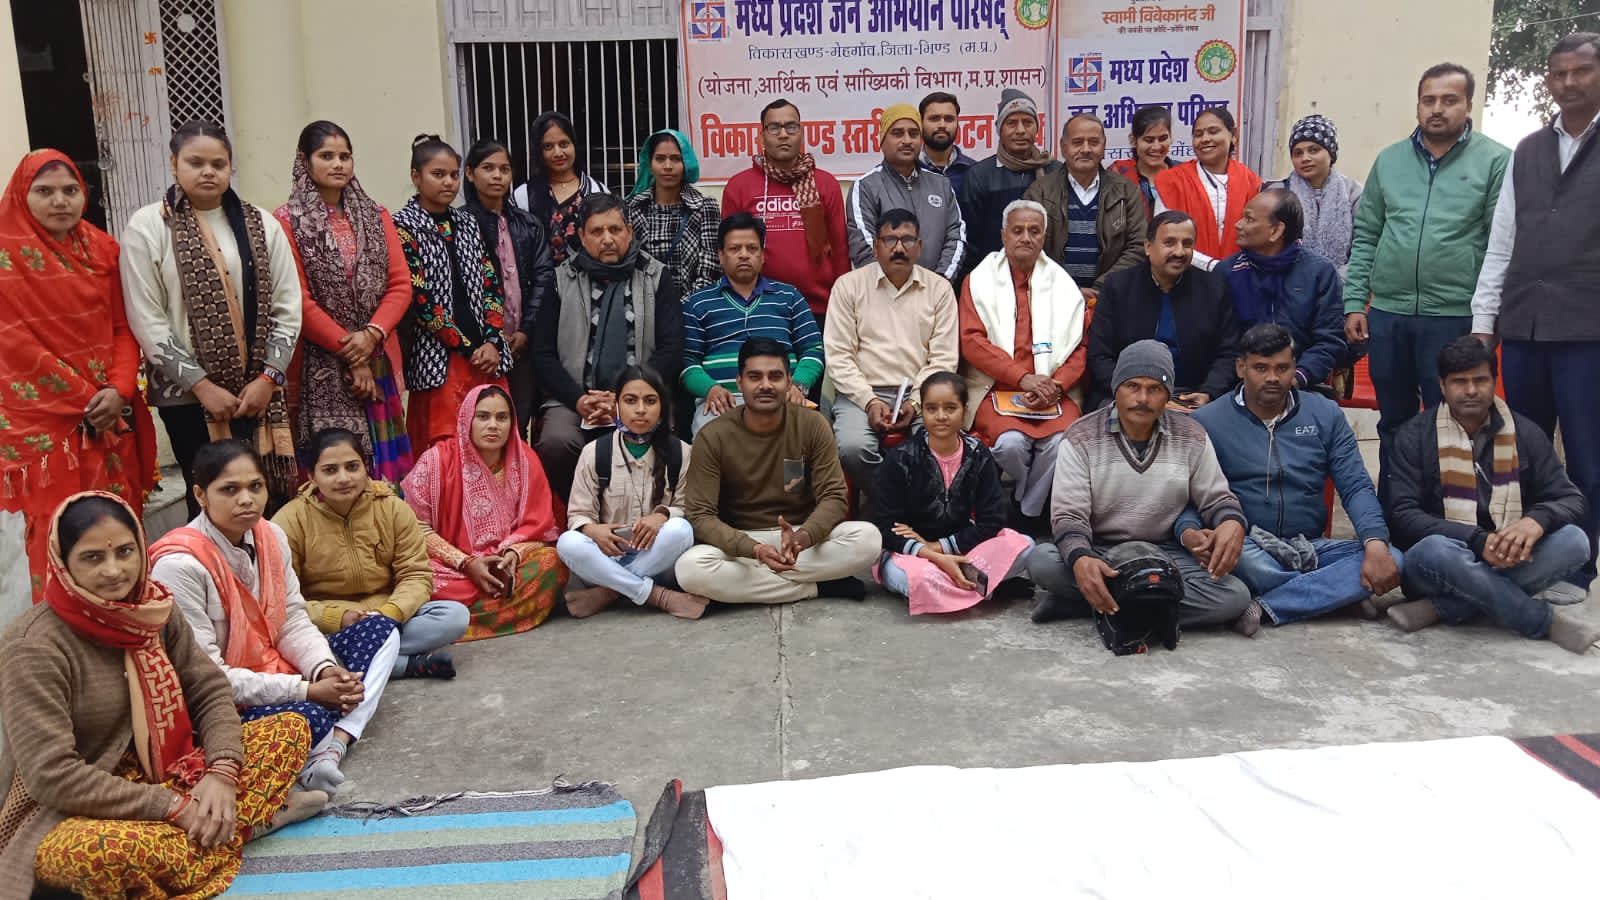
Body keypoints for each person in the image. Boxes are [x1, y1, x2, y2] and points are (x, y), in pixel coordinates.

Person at [0, 493, 319, 898]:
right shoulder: (34, 647)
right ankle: (245, 825)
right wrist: (171, 807)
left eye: (125, 552)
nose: (114, 570)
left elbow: (208, 688)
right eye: (93, 558)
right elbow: (53, 776)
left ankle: (211, 830)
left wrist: (222, 773)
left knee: (289, 729)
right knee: (85, 855)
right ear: (63, 563)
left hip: (175, 770)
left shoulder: (153, 609)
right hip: (85, 803)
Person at [153, 441, 401, 798]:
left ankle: (333, 745)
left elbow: (291, 620)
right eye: (229, 490)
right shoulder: (179, 566)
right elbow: (206, 678)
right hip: (221, 704)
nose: (247, 500)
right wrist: (308, 691)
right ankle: (329, 741)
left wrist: (325, 671)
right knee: (310, 717)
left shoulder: (270, 536)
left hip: (279, 669)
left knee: (381, 630)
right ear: (200, 495)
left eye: (255, 486)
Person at [1471, 32, 1600, 601]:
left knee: (1588, 452)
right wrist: (1484, 320)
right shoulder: (1527, 150)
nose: (1569, 82)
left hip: (1588, 329)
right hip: (1523, 324)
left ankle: (1577, 565)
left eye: (1582, 71)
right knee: (1521, 450)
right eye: (1559, 73)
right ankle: (1523, 554)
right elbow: (1502, 241)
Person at [1345, 63, 1509, 503]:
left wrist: (1487, 318)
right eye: (1428, 100)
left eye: (1449, 100)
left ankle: (1448, 520)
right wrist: (1356, 302)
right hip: (1389, 314)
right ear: (1418, 105)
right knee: (1393, 421)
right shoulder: (1390, 160)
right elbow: (1367, 235)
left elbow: (1500, 244)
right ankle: (1394, 513)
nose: (1437, 109)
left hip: (1454, 317)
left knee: (1454, 422)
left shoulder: (1495, 161)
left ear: (1468, 105)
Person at [0, 149, 158, 603]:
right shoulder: (6, 257)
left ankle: (125, 623)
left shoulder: (103, 249)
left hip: (109, 417)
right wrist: (88, 398)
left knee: (116, 526)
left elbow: (122, 327)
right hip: (46, 426)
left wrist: (120, 389)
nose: (60, 201)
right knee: (57, 534)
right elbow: (13, 343)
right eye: (45, 191)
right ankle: (60, 633)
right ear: (22, 195)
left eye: (70, 190)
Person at [122, 120, 302, 516]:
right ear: (174, 164)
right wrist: (202, 386)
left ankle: (264, 559)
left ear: (230, 166)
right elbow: (146, 317)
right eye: (196, 162)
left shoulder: (262, 225)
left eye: (218, 164)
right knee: (206, 497)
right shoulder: (149, 227)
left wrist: (267, 379)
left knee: (264, 497)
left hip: (257, 393)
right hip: (187, 398)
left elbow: (288, 308)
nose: (208, 172)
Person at [1385, 336, 1596, 653]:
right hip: (1441, 562)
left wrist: (1535, 521)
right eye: (1460, 382)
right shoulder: (1414, 435)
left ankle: (1444, 608)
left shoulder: (1524, 432)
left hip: (1509, 556)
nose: (1471, 390)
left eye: (1480, 380)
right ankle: (1540, 621)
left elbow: (1571, 498)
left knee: (1575, 541)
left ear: (1495, 382)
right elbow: (1402, 515)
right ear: (1442, 386)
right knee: (1436, 549)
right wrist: (1477, 540)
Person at [1189, 324, 1403, 634]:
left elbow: (1356, 485)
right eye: (1261, 368)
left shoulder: (1325, 414)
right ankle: (1334, 594)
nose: (1272, 377)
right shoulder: (1207, 421)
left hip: (1310, 548)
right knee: (1239, 559)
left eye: (1282, 368)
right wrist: (1193, 533)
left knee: (1392, 556)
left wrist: (1375, 541)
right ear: (1240, 368)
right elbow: (1187, 494)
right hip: (1249, 545)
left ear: (1294, 368)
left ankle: (1267, 605)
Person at [1027, 340, 1253, 628]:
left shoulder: (1191, 434)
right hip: (1101, 550)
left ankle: (1089, 604)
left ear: (1168, 394)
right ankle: (1151, 607)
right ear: (1116, 389)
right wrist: (1082, 558)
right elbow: (1069, 516)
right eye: (1132, 386)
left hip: (1166, 553)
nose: (1143, 398)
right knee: (1042, 560)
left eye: (1155, 388)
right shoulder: (1081, 436)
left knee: (1234, 595)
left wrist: (1232, 522)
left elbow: (1217, 498)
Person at [676, 338, 882, 604]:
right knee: (690, 568)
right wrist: (754, 549)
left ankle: (741, 589)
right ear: (739, 382)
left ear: (788, 382)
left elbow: (834, 496)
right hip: (742, 543)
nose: (765, 385)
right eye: (755, 377)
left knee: (868, 539)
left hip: (800, 539)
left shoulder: (812, 425)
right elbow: (701, 515)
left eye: (775, 376)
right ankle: (818, 587)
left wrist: (804, 537)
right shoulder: (713, 436)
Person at [274, 121, 413, 483]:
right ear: (304, 161)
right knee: (332, 465)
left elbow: (400, 285)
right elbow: (298, 300)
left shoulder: (376, 215)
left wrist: (371, 335)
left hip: (377, 354)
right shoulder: (286, 222)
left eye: (345, 156)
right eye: (326, 156)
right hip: (318, 361)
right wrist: (353, 353)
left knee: (385, 472)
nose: (338, 164)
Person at [274, 428, 467, 680]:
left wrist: (389, 613)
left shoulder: (392, 508)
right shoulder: (290, 521)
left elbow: (416, 575)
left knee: (455, 616)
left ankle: (354, 661)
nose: (343, 478)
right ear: (311, 476)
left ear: (366, 467)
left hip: (387, 614)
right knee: (289, 640)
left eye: (352, 467)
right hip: (329, 624)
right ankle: (407, 665)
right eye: (330, 470)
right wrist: (337, 618)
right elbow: (282, 599)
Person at [530, 192, 684, 499]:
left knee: (654, 437)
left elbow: (672, 347)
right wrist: (578, 400)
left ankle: (642, 513)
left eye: (615, 229)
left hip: (640, 397)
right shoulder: (561, 280)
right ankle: (580, 512)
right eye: (597, 231)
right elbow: (543, 353)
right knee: (556, 442)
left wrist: (625, 397)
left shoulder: (655, 276)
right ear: (582, 236)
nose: (608, 239)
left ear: (629, 231)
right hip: (574, 398)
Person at [401, 385, 566, 639]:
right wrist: (466, 563)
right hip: (452, 568)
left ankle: (447, 623)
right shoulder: (437, 460)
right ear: (467, 418)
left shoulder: (526, 460)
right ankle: (481, 615)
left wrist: (513, 554)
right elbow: (415, 529)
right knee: (414, 576)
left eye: (502, 418)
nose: (493, 426)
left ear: (512, 422)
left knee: (552, 562)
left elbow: (542, 531)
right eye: (483, 416)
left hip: (504, 567)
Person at [958, 200, 1088, 519]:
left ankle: (1025, 509)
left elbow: (1081, 347)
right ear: (1004, 235)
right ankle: (1030, 499)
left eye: (1034, 231)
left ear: (1044, 237)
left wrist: (1057, 385)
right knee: (1010, 445)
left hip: (1054, 390)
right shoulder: (978, 280)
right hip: (995, 388)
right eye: (1017, 230)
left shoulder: (1063, 284)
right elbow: (972, 342)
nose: (1026, 238)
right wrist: (1022, 378)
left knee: (1062, 444)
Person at [872, 372, 1034, 614]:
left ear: (964, 410)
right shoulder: (901, 458)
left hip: (959, 547)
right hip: (911, 554)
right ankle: (983, 585)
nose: (941, 416)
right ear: (922, 412)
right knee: (920, 577)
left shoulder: (978, 454)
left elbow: (992, 520)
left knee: (1024, 545)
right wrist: (928, 553)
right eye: (931, 409)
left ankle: (955, 587)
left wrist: (937, 547)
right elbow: (885, 526)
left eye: (950, 408)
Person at [825, 209, 960, 490]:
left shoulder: (939, 289)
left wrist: (915, 402)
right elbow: (839, 357)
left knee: (939, 444)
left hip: (921, 393)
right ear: (876, 246)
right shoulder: (849, 286)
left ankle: (904, 504)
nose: (899, 248)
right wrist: (870, 401)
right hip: (861, 393)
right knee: (853, 448)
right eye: (889, 240)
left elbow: (944, 359)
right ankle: (897, 501)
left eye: (907, 240)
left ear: (919, 246)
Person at [392, 134, 511, 452]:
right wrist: (469, 347)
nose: (448, 182)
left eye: (453, 175)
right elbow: (421, 299)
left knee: (493, 443)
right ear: (416, 176)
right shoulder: (401, 227)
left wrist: (492, 341)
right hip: (438, 358)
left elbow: (491, 283)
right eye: (438, 174)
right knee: (445, 448)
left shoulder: (468, 222)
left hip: (487, 357)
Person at [558, 367, 706, 619]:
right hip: (607, 557)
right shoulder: (595, 452)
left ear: (662, 406)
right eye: (630, 400)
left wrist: (661, 516)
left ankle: (610, 592)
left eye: (650, 401)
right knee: (568, 543)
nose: (640, 409)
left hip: (658, 558)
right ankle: (658, 596)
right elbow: (578, 514)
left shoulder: (681, 452)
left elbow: (688, 507)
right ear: (616, 405)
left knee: (681, 530)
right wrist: (592, 530)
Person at [681, 212, 825, 435]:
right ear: (720, 255)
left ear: (762, 255)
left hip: (782, 398)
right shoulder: (698, 303)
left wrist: (798, 385)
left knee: (809, 438)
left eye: (752, 248)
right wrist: (710, 389)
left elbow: (814, 350)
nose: (744, 255)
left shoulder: (790, 297)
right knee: (711, 440)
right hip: (723, 402)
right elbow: (687, 361)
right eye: (734, 249)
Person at [1088, 211, 1238, 409]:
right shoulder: (1118, 287)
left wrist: (1209, 392)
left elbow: (1228, 353)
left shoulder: (1214, 288)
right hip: (1127, 393)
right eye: (1169, 243)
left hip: (1191, 395)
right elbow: (1100, 355)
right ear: (1148, 247)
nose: (1179, 252)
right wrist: (1130, 391)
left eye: (1187, 244)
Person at [721, 99, 849, 319]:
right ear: (761, 137)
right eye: (774, 128)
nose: (783, 135)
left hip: (819, 308)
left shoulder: (825, 184)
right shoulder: (739, 187)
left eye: (791, 127)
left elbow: (840, 251)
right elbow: (729, 252)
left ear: (801, 133)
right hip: (757, 306)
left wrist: (842, 305)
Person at [464, 137, 555, 438]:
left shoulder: (529, 224)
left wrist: (526, 330)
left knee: (519, 421)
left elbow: (543, 277)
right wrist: (489, 338)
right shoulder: (461, 225)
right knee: (482, 425)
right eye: (488, 168)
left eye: (504, 169)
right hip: (479, 348)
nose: (497, 176)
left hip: (522, 343)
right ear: (470, 173)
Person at [1216, 188, 1347, 389]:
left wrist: (1297, 378)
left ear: (1276, 231)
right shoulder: (1227, 271)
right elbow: (1221, 345)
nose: (1238, 224)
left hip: (1301, 384)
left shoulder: (1319, 272)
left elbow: (1330, 340)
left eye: (1249, 219)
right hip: (1238, 385)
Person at [1023, 113, 1147, 299]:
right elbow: (1028, 246)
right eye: (1077, 142)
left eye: (1094, 142)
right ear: (1063, 147)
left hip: (1111, 297)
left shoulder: (1126, 191)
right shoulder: (1040, 191)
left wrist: (1102, 286)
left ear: (1103, 147)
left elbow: (1138, 246)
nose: (1086, 149)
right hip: (1053, 298)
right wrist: (1068, 289)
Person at [846, 104, 966, 283]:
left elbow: (956, 237)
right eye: (897, 133)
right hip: (884, 293)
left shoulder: (941, 184)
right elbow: (863, 246)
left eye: (913, 134)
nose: (907, 140)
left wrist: (940, 283)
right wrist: (896, 287)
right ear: (882, 140)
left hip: (936, 291)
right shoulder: (866, 187)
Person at [958, 89, 1060, 283]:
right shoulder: (980, 176)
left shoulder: (1055, 172)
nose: (1020, 130)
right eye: (1012, 123)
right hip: (994, 280)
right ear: (999, 129)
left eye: (1027, 122)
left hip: (1047, 279)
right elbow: (970, 241)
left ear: (1037, 127)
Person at [1153, 108, 1262, 269]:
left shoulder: (1252, 182)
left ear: (1234, 135)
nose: (1205, 139)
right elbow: (1164, 237)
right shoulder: (1172, 182)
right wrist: (1212, 266)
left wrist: (1235, 269)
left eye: (1213, 131)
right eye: (1198, 134)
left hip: (1242, 274)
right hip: (1185, 273)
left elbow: (1260, 235)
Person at [625, 128, 722, 298]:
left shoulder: (704, 207)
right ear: (650, 164)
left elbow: (710, 268)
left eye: (676, 159)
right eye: (660, 159)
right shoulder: (633, 208)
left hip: (693, 308)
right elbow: (628, 266)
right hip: (644, 307)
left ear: (686, 164)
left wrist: (683, 306)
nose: (668, 166)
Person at [1266, 115, 1363, 278]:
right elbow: (1265, 245)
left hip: (1341, 285)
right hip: (1286, 283)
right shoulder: (1277, 192)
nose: (1305, 158)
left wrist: (1333, 281)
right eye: (1298, 153)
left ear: (1331, 153)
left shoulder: (1354, 193)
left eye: (1313, 150)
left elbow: (1363, 247)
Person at [513, 112, 609, 265]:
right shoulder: (523, 196)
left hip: (589, 279)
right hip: (538, 280)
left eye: (564, 144)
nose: (558, 153)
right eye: (548, 147)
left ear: (574, 145)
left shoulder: (597, 191)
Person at [1110, 105, 1177, 215]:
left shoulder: (1183, 174)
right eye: (1148, 140)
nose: (1156, 147)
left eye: (1163, 139)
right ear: (1133, 140)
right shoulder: (1119, 175)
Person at [917, 91, 977, 195]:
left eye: (949, 119)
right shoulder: (907, 169)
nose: (942, 125)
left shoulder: (975, 172)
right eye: (934, 119)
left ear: (957, 123)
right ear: (921, 123)